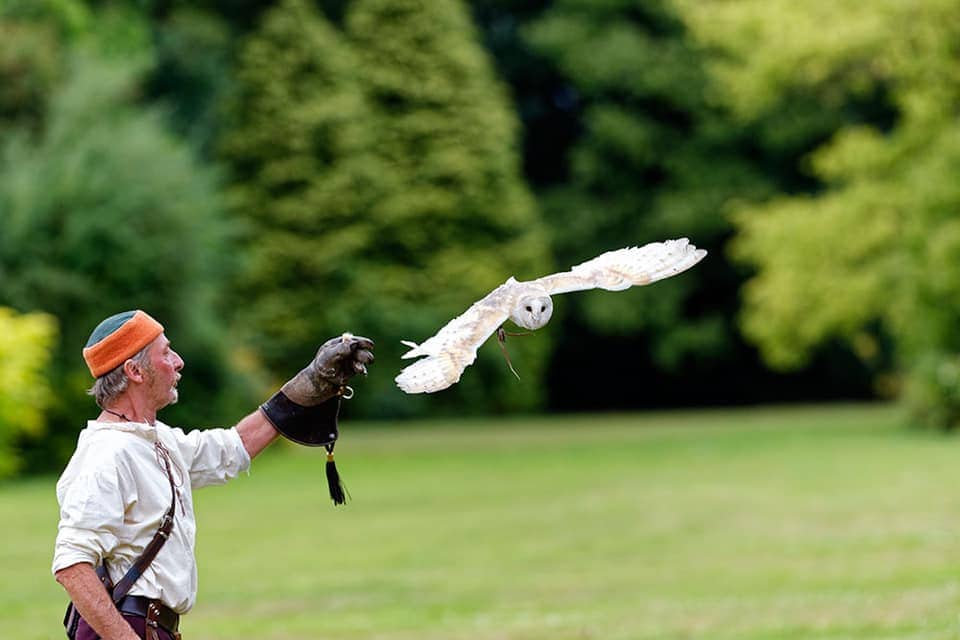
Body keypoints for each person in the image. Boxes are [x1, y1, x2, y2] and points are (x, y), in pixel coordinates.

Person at [52, 310, 374, 640]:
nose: (178, 362)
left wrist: (310, 381)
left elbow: (230, 449)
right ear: (134, 371)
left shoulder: (154, 438)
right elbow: (72, 565)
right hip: (129, 628)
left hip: (151, 627)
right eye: (165, 353)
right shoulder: (107, 453)